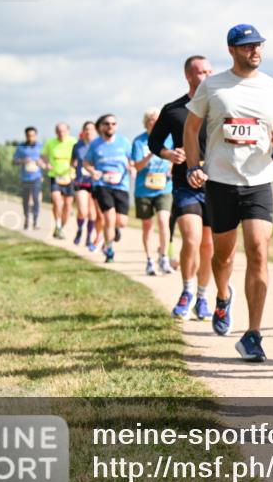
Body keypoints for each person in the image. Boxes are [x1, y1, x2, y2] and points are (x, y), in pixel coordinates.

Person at [184, 24, 273, 360]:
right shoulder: (212, 86)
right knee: (223, 255)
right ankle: (222, 295)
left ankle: (253, 334)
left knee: (258, 250)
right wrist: (192, 166)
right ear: (232, 50)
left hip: (259, 181)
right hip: (221, 182)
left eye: (258, 45)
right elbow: (191, 127)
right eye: (246, 47)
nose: (254, 51)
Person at [149, 55, 216, 321]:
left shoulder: (219, 107)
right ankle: (186, 291)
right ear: (189, 76)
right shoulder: (174, 109)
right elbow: (155, 142)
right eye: (202, 72)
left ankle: (202, 296)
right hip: (185, 182)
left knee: (208, 245)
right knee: (192, 238)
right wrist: (169, 155)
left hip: (215, 183)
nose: (208, 76)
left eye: (211, 71)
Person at [83, 113, 134, 263]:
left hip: (121, 184)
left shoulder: (123, 142)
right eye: (107, 123)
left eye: (113, 123)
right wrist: (93, 171)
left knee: (122, 221)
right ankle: (109, 250)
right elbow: (86, 162)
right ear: (101, 127)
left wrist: (132, 168)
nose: (110, 126)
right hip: (102, 185)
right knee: (109, 218)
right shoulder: (95, 144)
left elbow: (131, 159)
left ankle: (115, 231)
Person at [133, 108, 175, 276]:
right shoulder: (139, 141)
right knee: (147, 226)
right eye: (151, 119)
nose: (154, 122)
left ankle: (163, 257)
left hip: (164, 187)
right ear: (146, 122)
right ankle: (149, 260)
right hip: (144, 189)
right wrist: (152, 152)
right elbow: (137, 166)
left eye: (157, 119)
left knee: (164, 221)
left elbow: (175, 157)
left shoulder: (170, 139)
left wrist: (171, 167)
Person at [41, 122, 78, 239]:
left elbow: (81, 155)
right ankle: (57, 223)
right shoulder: (50, 143)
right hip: (55, 176)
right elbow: (43, 156)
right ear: (55, 132)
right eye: (58, 131)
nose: (61, 133)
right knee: (57, 202)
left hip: (70, 176)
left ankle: (60, 227)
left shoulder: (74, 142)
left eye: (63, 131)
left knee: (67, 205)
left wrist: (77, 163)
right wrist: (46, 164)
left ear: (68, 131)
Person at [71, 121, 99, 248]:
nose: (89, 132)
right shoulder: (77, 146)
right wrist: (74, 165)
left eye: (91, 129)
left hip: (95, 182)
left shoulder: (99, 145)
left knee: (92, 213)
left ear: (95, 131)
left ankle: (88, 238)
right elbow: (72, 161)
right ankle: (80, 229)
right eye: (86, 129)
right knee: (82, 210)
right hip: (81, 181)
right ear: (83, 131)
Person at [13, 127, 45, 229]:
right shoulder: (21, 147)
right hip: (25, 178)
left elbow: (46, 160)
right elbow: (14, 161)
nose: (30, 137)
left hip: (37, 177)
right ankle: (27, 219)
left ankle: (35, 222)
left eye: (33, 135)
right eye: (28, 135)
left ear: (36, 135)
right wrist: (23, 161)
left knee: (36, 199)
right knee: (25, 200)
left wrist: (41, 163)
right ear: (26, 135)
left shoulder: (41, 147)